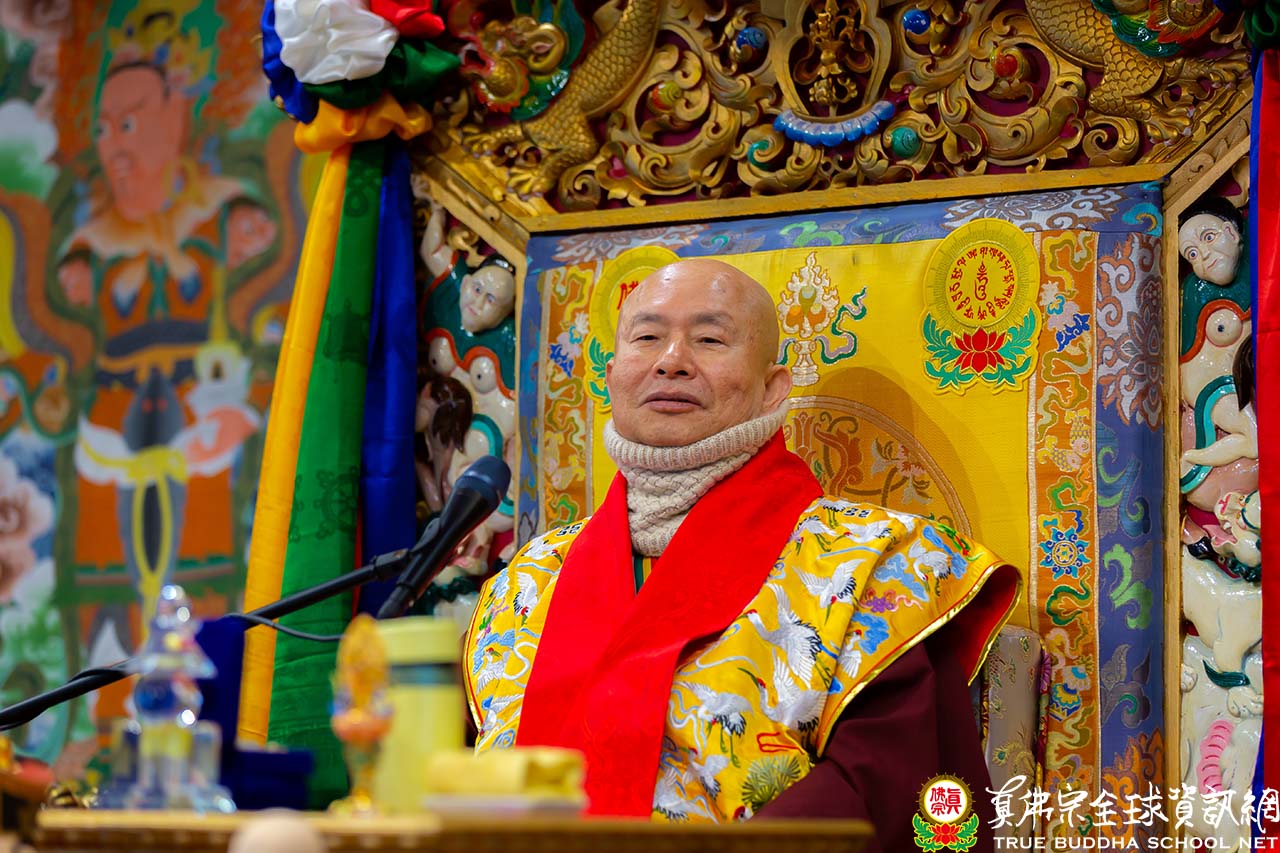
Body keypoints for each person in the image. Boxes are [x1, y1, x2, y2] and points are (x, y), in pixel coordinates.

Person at [463, 259, 1020, 851]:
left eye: (709, 340)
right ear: (610, 376)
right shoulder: (530, 579)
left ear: (772, 388)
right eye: (647, 337)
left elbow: (888, 786)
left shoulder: (868, 562)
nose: (671, 360)